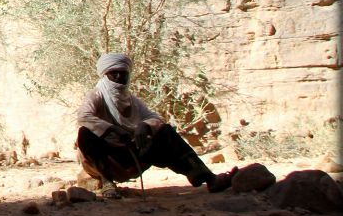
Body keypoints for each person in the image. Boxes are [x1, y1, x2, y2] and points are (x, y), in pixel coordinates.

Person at [75, 53, 236, 198]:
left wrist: (144, 125)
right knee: (85, 133)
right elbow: (84, 116)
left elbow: (155, 118)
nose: (118, 77)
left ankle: (208, 178)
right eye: (113, 73)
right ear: (105, 75)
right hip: (108, 158)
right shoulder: (96, 95)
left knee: (165, 132)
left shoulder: (131, 100)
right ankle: (107, 181)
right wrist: (112, 129)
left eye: (123, 73)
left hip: (133, 153)